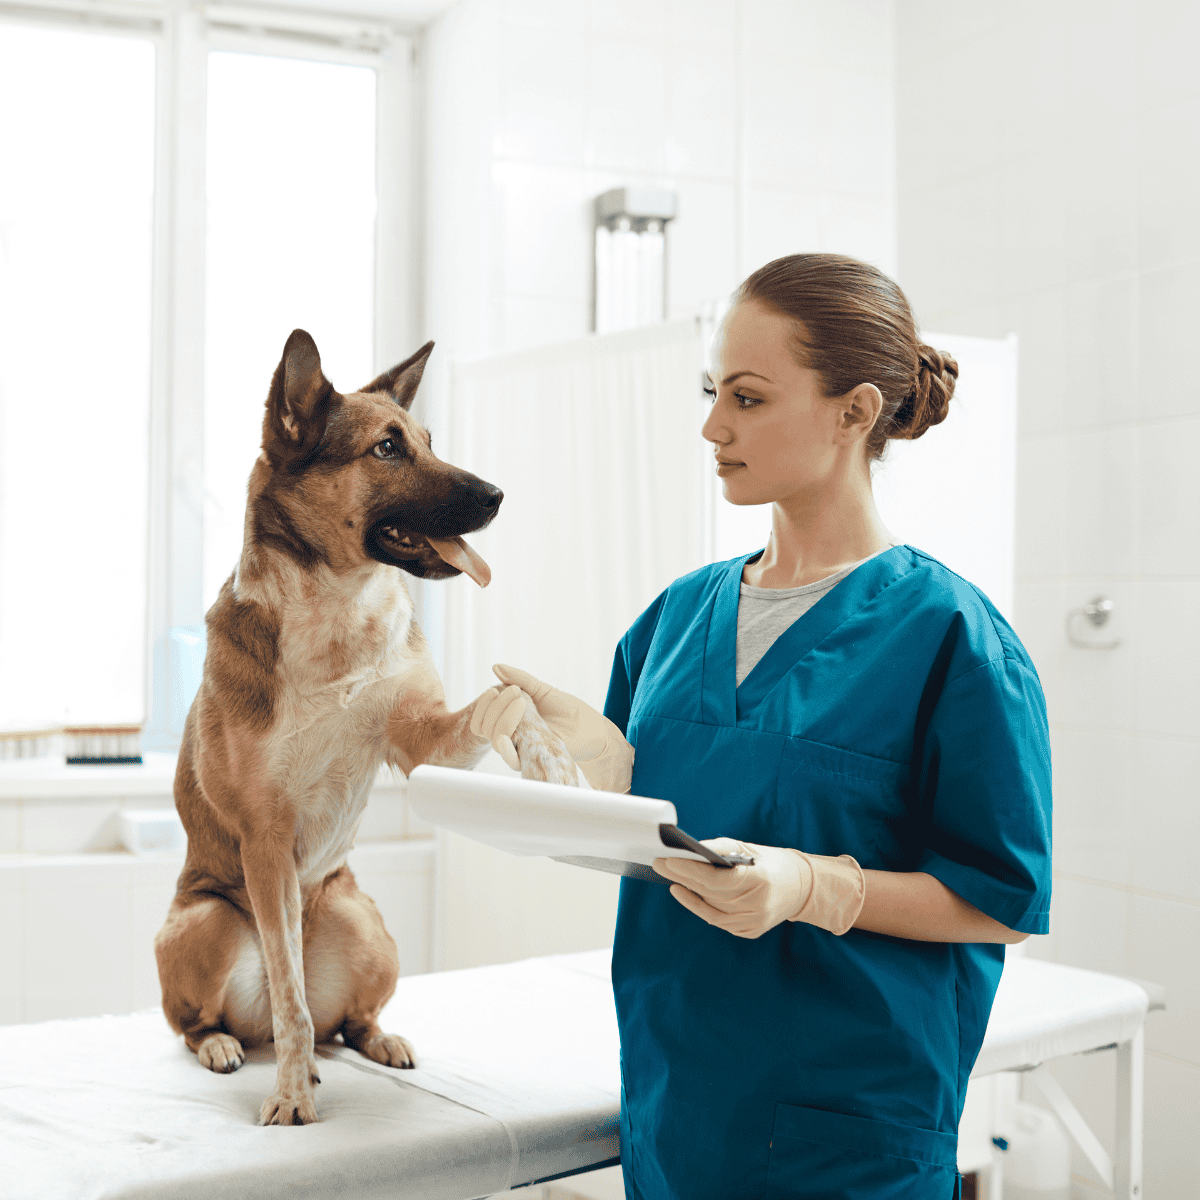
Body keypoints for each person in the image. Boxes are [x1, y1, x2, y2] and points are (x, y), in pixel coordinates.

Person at [480, 253, 1052, 1199]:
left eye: (746, 398)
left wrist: (814, 887)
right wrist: (606, 780)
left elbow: (999, 897)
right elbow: (665, 841)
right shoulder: (675, 618)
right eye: (712, 392)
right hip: (679, 1109)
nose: (712, 427)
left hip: (847, 1139)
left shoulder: (950, 636)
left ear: (854, 412)